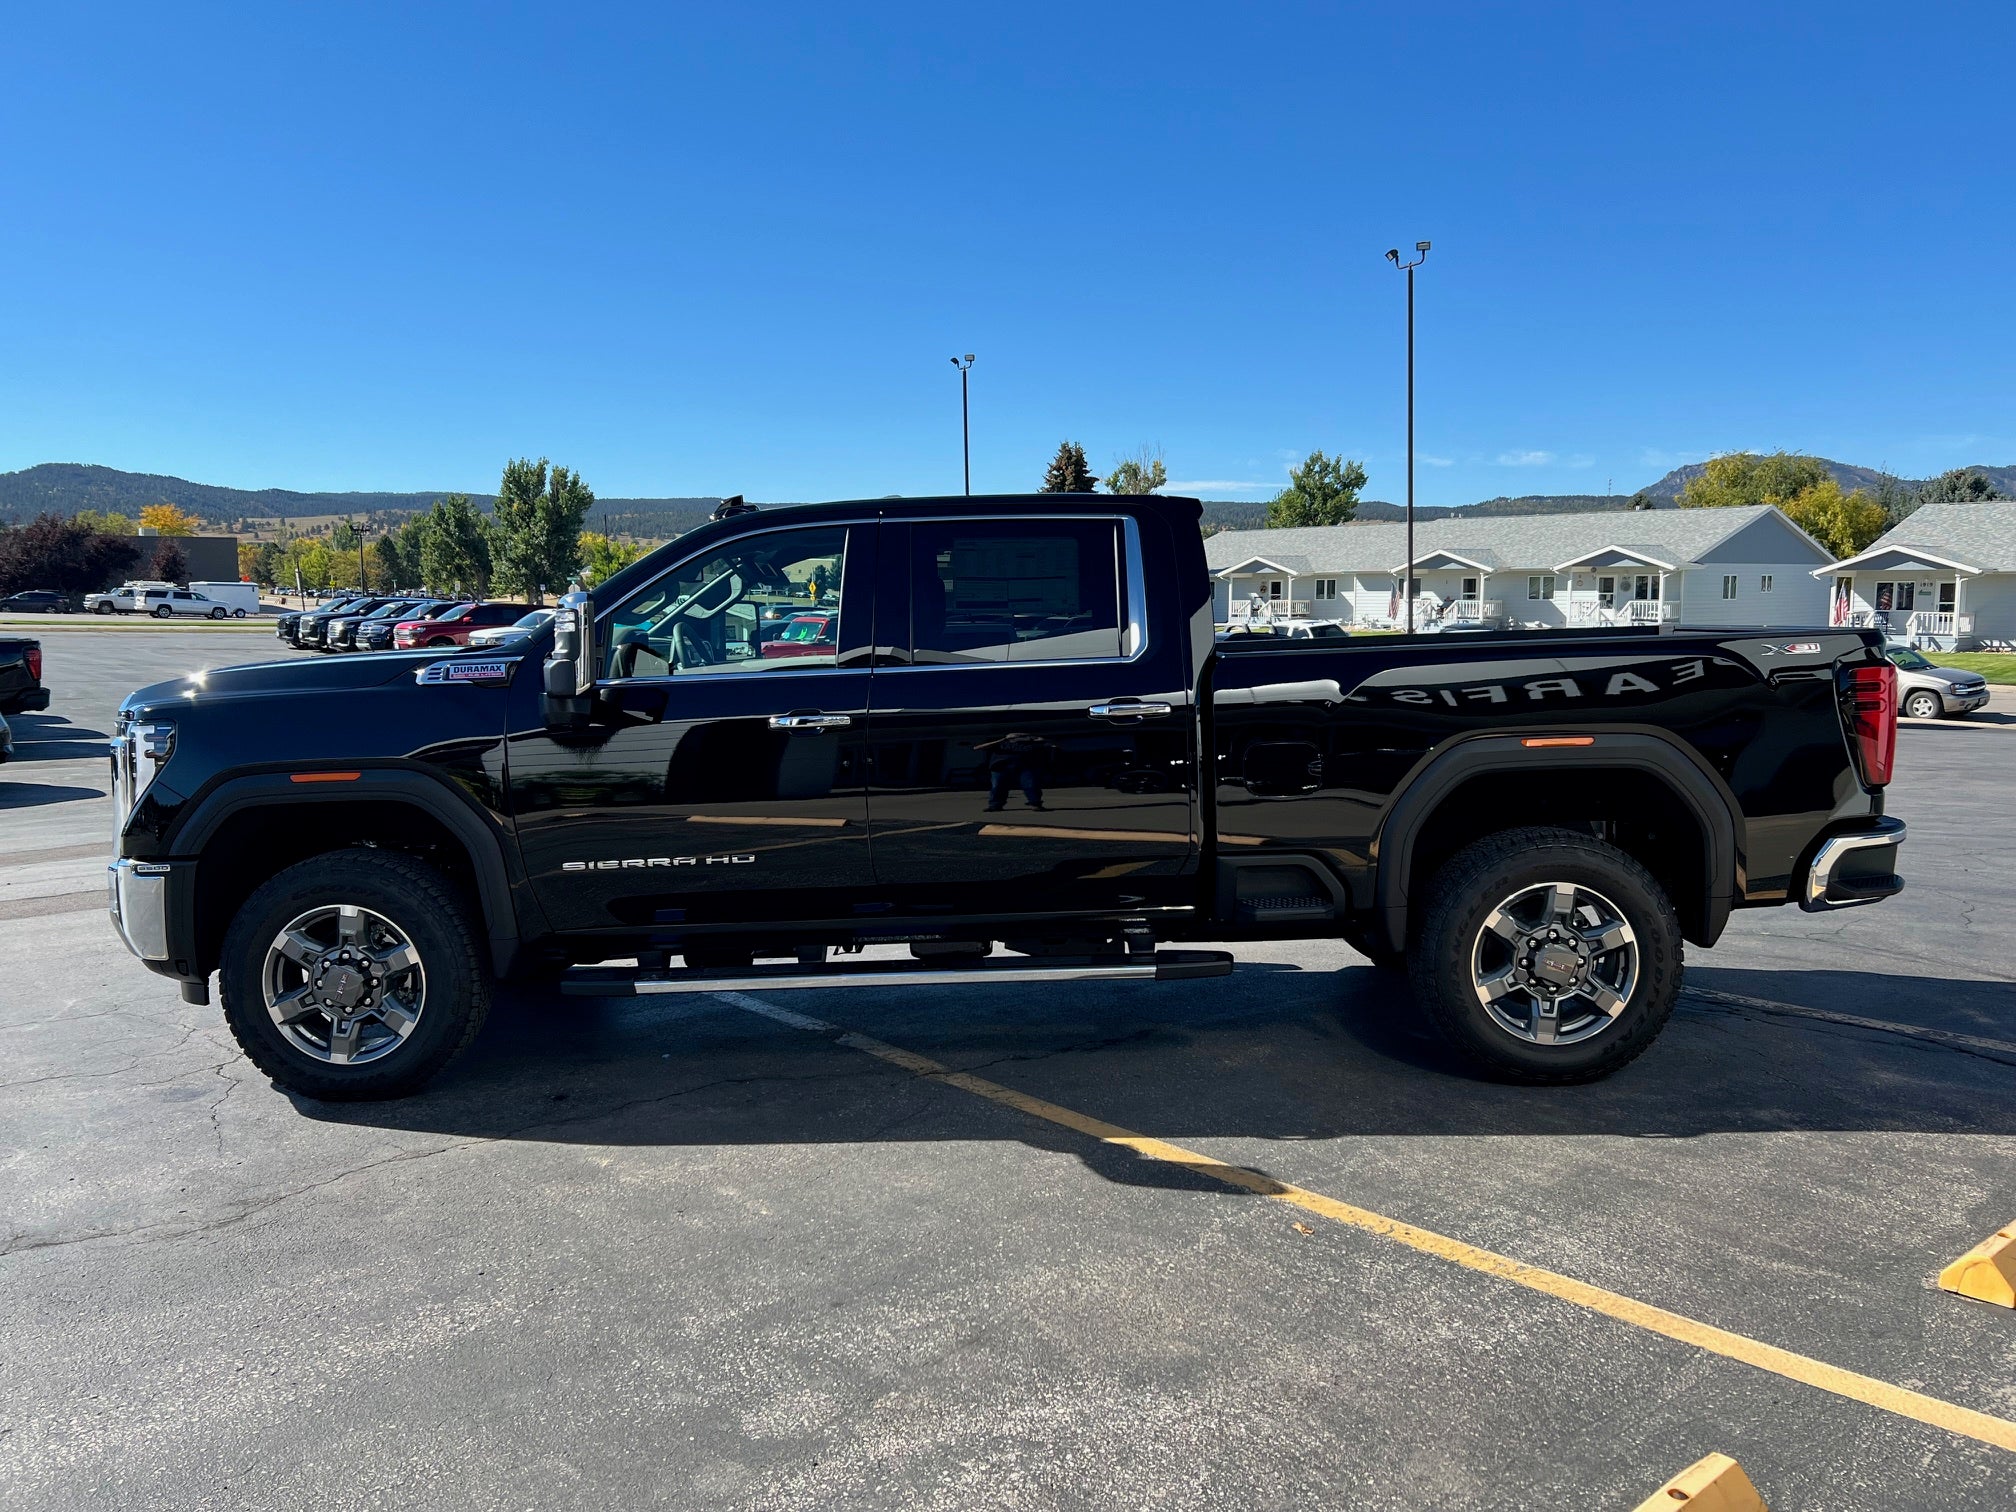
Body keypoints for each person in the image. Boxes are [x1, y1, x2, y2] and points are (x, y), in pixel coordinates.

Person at [974, 731, 1051, 811]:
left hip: (1025, 767)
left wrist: (1038, 739)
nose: (1016, 739)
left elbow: (1049, 745)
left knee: (1030, 785)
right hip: (1001, 767)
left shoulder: (1032, 744)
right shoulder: (1000, 744)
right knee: (997, 786)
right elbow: (977, 748)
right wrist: (1002, 740)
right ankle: (995, 805)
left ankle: (1035, 804)